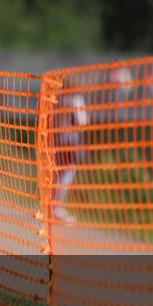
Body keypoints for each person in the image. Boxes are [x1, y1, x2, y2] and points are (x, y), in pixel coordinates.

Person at [52, 93, 88, 223]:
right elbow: (82, 122)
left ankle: (53, 206)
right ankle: (57, 207)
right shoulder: (75, 99)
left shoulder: (58, 99)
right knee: (66, 174)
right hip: (69, 141)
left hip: (58, 140)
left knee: (59, 174)